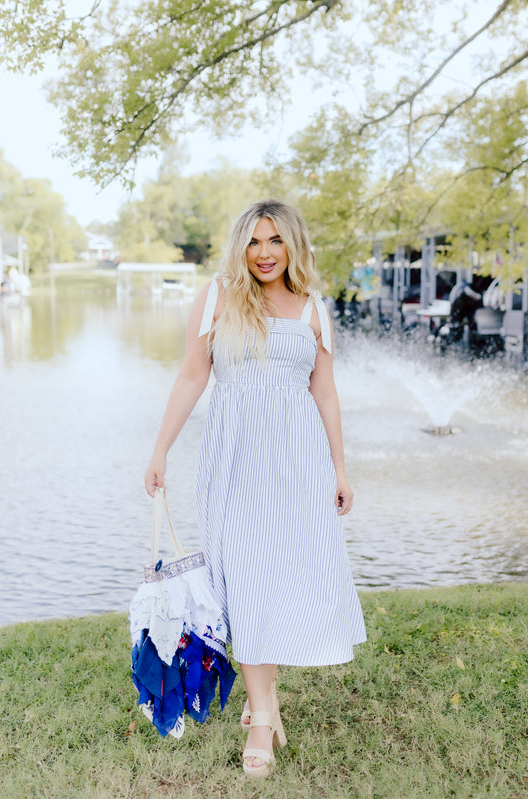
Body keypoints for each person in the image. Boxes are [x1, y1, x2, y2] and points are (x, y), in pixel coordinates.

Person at [145, 199, 366, 778]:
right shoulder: (218, 297)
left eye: (275, 241)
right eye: (253, 242)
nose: (264, 253)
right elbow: (193, 374)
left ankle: (260, 699)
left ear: (293, 245)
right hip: (235, 464)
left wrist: (340, 468)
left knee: (281, 580)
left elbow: (326, 394)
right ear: (240, 247)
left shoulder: (315, 308)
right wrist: (161, 448)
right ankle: (263, 717)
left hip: (298, 466)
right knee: (241, 579)